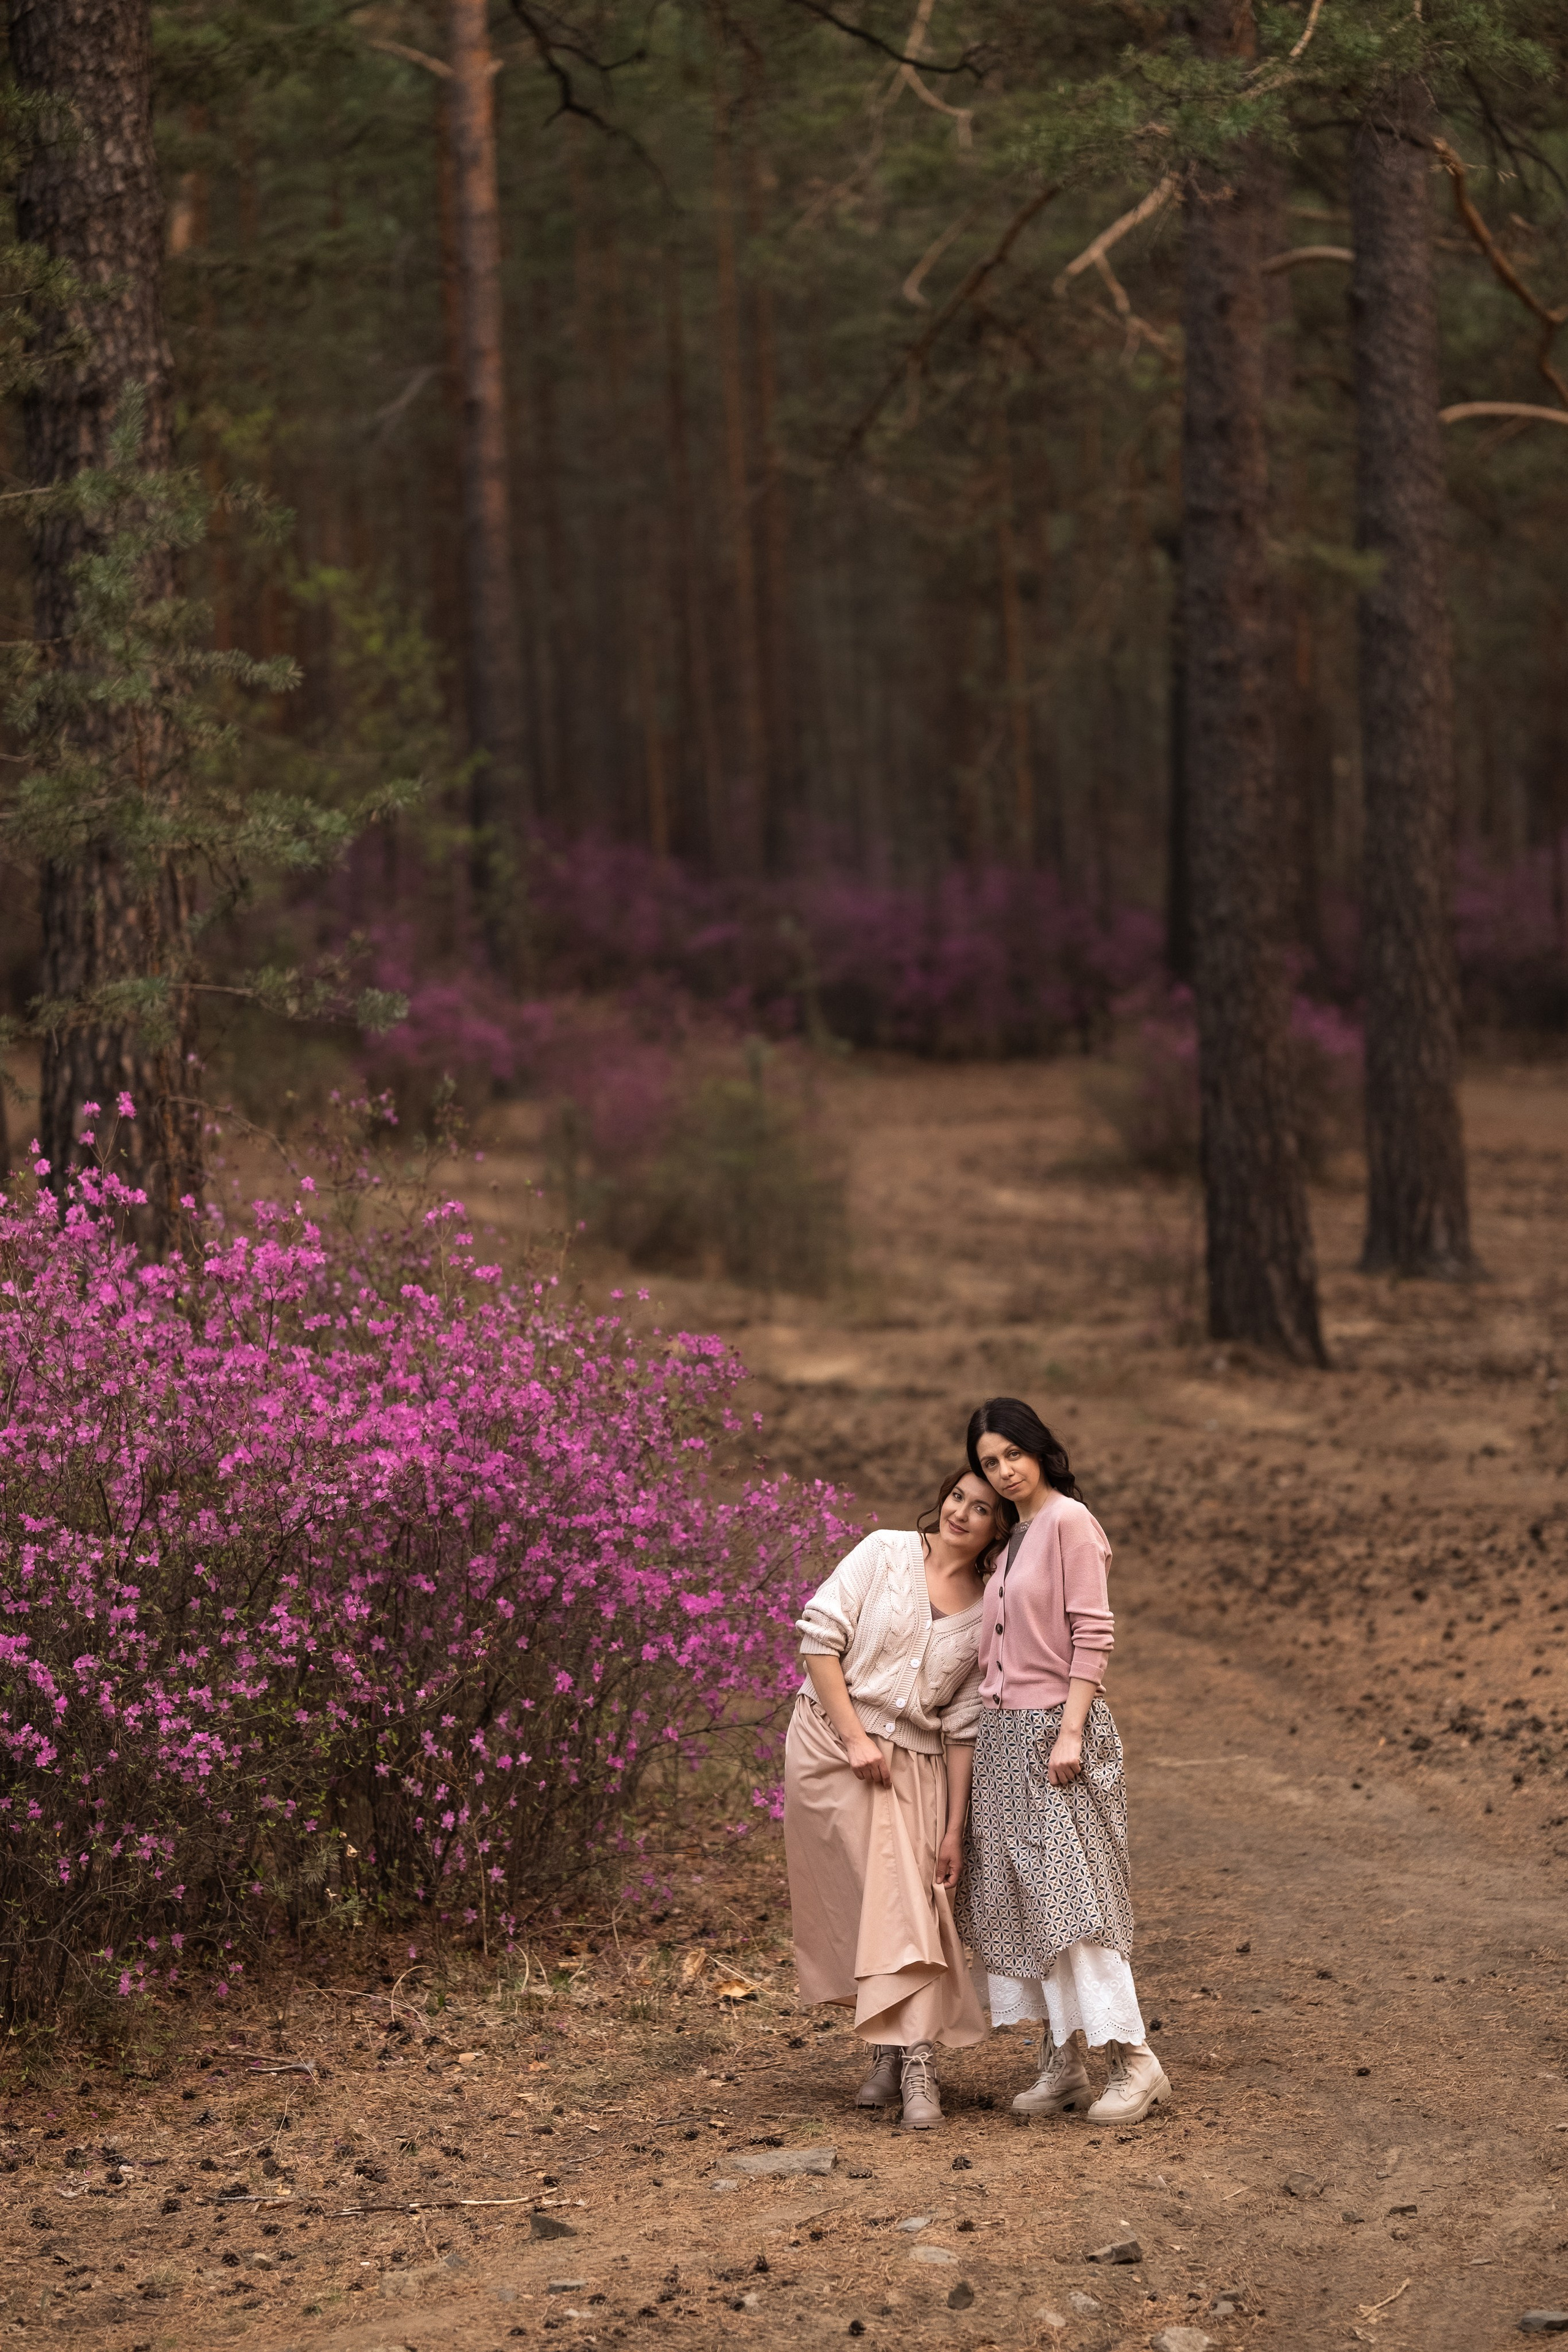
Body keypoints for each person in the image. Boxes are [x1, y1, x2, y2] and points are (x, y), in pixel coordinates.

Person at [958, 1395, 1171, 2125]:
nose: (1003, 1471)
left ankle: (1134, 2062)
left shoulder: (1069, 1523)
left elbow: (1093, 1632)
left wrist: (1071, 1731)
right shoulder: (1013, 1539)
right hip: (1002, 1739)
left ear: (1039, 1449)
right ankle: (1063, 2063)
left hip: (1055, 1732)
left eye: (1011, 1454)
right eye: (989, 1463)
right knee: (1025, 1907)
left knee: (1076, 1905)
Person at [783, 1469, 1006, 2128]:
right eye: (957, 1496)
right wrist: (855, 1740)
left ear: (1000, 1527)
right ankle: (891, 2052)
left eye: (983, 1508)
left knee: (911, 1903)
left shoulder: (991, 1602)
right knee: (864, 1900)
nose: (961, 1512)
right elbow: (819, 1642)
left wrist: (953, 1829)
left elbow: (965, 1723)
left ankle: (914, 2064)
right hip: (831, 1746)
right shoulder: (883, 1552)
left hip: (917, 1762)